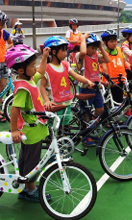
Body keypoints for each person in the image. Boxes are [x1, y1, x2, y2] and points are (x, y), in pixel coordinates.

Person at [6, 45, 51, 202]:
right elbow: (14, 109)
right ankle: (30, 191)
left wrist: (44, 56)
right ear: (21, 70)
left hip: (35, 128)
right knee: (32, 161)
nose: (35, 67)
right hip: (31, 131)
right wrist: (13, 131)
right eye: (32, 65)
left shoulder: (29, 79)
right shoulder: (23, 87)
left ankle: (24, 186)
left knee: (26, 158)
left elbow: (41, 72)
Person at [39, 36, 95, 145]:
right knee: (53, 130)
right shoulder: (47, 68)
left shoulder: (65, 65)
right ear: (54, 52)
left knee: (64, 128)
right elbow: (42, 86)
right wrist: (46, 101)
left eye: (66, 50)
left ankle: (62, 146)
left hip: (67, 103)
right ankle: (52, 152)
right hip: (54, 105)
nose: (66, 53)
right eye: (63, 50)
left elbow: (75, 76)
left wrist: (87, 81)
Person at [75, 33, 110, 117]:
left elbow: (107, 59)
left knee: (100, 109)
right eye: (92, 48)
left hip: (96, 87)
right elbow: (83, 52)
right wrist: (83, 39)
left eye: (95, 48)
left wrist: (101, 47)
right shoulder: (80, 56)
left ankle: (92, 123)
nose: (94, 50)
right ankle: (86, 126)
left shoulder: (96, 56)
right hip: (85, 87)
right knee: (86, 112)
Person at [101, 29, 128, 103]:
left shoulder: (119, 50)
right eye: (111, 41)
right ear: (105, 43)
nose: (114, 43)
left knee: (120, 100)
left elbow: (124, 62)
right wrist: (107, 80)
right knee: (109, 102)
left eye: (115, 41)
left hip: (120, 80)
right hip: (110, 82)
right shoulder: (103, 53)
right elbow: (104, 67)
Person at [0, 10, 13, 123]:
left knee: (3, 86)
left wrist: (5, 50)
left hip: (3, 62)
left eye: (3, 22)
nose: (2, 25)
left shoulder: (4, 33)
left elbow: (11, 43)